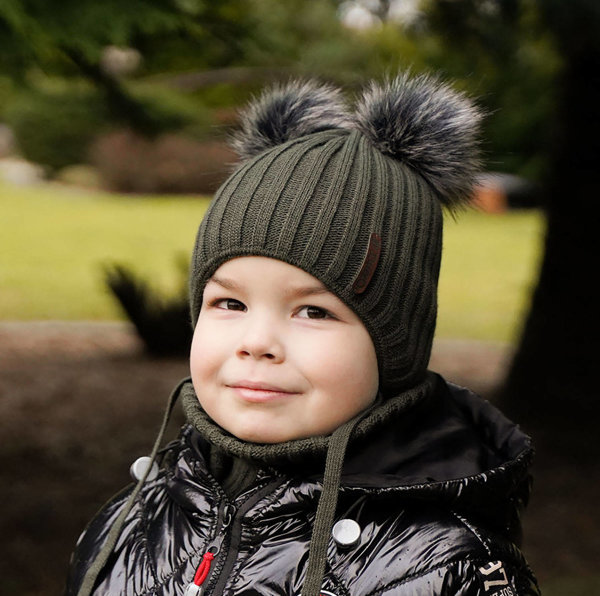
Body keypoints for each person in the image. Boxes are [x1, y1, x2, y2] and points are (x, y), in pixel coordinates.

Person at [66, 73, 540, 596]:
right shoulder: (131, 519)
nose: (257, 341)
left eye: (313, 311)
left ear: (395, 349)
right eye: (230, 302)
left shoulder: (443, 571)